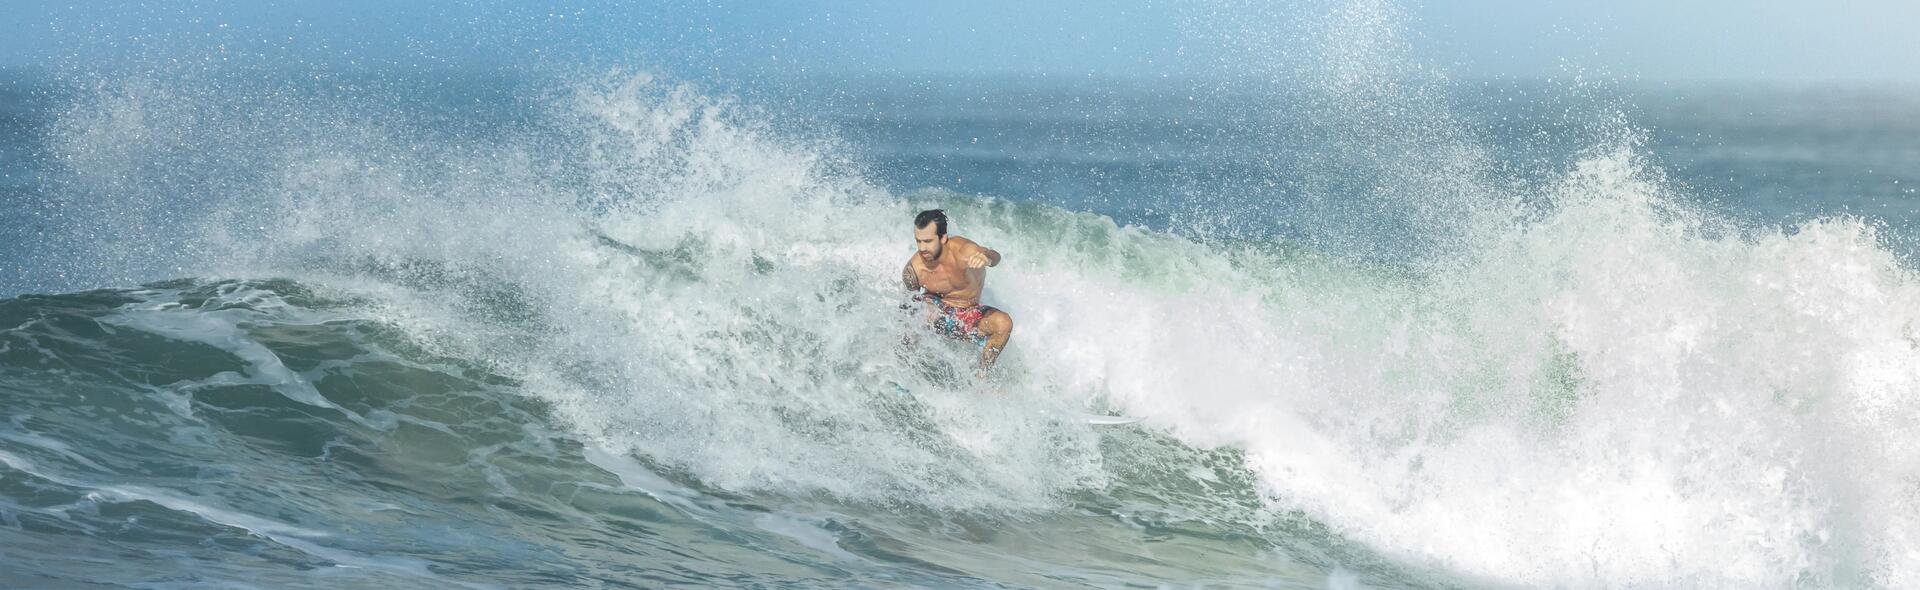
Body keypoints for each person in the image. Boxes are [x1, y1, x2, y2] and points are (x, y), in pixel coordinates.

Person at [901, 209, 1014, 374]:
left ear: (943, 238)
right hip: (938, 313)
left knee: (1004, 323)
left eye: (928, 241)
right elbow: (908, 309)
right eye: (918, 241)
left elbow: (995, 257)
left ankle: (982, 376)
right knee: (922, 311)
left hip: (969, 315)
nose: (922, 248)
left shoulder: (963, 251)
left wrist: (986, 258)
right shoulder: (914, 270)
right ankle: (904, 367)